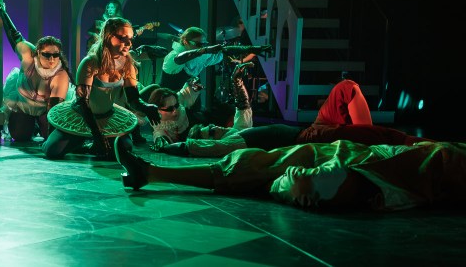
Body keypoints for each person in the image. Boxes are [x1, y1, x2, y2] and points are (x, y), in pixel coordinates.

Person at [116, 138, 466, 212]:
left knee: (276, 166)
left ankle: (151, 172)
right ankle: (151, 172)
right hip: (373, 155)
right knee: (273, 163)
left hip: (398, 164)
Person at [163, 78, 432, 158]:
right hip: (309, 139)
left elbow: (243, 108)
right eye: (209, 131)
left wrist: (238, 82)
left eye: (209, 126)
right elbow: (201, 147)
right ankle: (423, 145)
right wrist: (169, 147)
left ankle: (364, 146)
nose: (212, 127)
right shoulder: (231, 145)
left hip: (314, 128)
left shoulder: (238, 131)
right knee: (380, 136)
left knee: (346, 88)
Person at [42, 17, 161, 160]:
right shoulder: (90, 62)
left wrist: (146, 107)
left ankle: (90, 146)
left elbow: (133, 99)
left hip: (107, 116)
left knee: (125, 148)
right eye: (123, 38)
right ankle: (82, 141)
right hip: (82, 115)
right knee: (52, 151)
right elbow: (82, 103)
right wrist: (97, 134)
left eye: (130, 38)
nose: (129, 43)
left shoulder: (127, 64)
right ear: (108, 36)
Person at [0, 4, 72, 143]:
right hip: (23, 105)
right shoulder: (29, 56)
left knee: (50, 136)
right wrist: (4, 15)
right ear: (38, 53)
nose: (52, 59)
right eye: (47, 55)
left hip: (46, 111)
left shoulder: (60, 75)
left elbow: (54, 110)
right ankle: (31, 125)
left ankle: (39, 125)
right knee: (20, 136)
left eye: (55, 55)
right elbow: (15, 35)